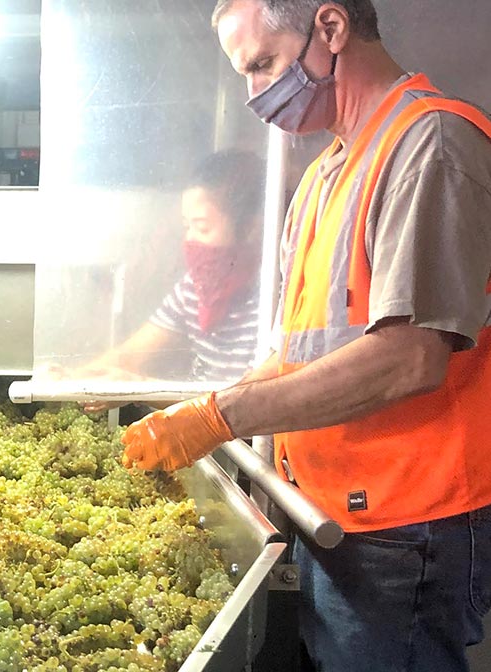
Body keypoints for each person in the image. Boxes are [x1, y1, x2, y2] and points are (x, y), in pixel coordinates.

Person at [120, 1, 491, 670]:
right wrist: (199, 411)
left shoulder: (428, 144)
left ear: (330, 27)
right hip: (332, 511)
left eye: (262, 64)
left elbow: (410, 360)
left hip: (408, 524)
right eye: (244, 73)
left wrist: (220, 415)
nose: (255, 93)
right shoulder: (326, 173)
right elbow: (297, 356)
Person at [71, 150, 265, 414]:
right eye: (187, 226)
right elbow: (131, 355)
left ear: (251, 228)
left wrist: (138, 388)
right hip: (200, 435)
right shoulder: (194, 289)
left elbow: (244, 405)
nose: (190, 240)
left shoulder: (272, 299)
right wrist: (70, 378)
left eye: (203, 227)